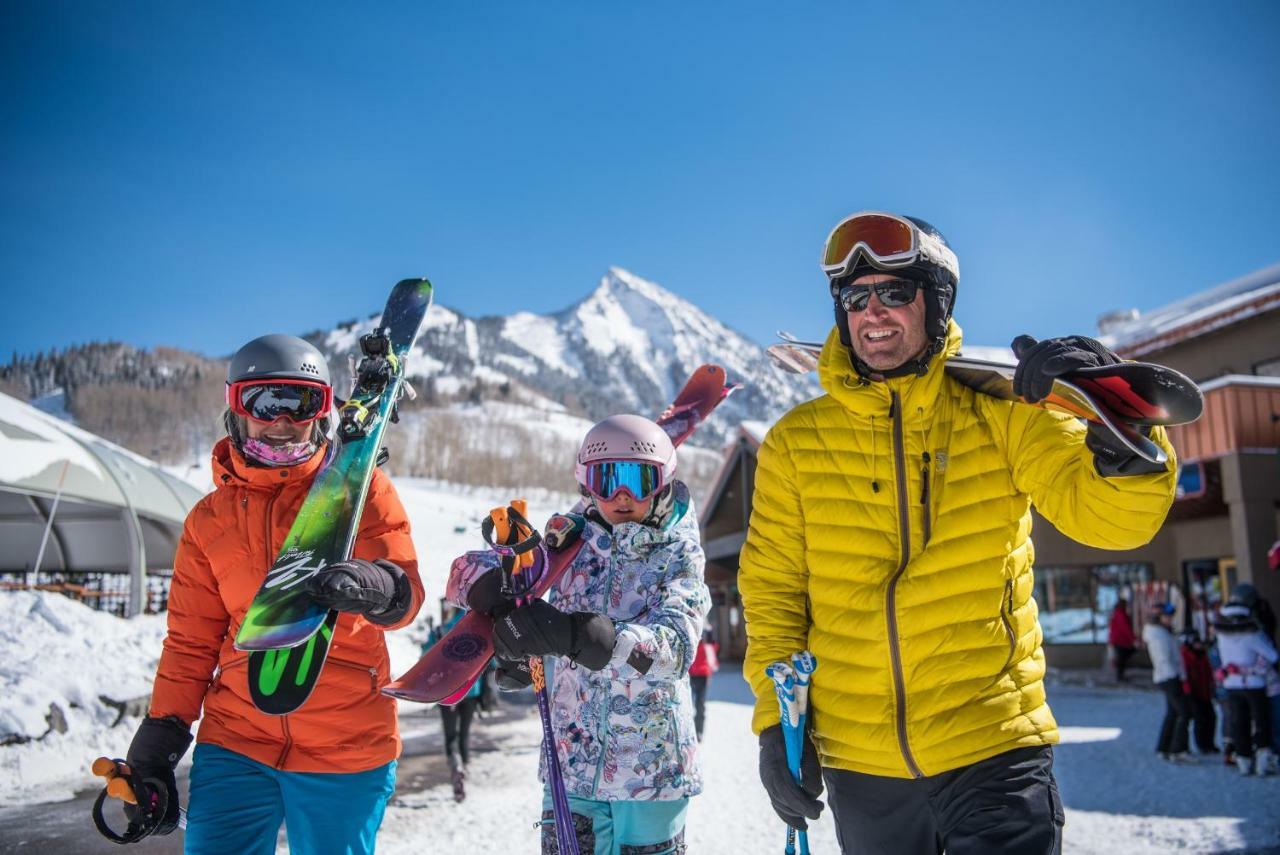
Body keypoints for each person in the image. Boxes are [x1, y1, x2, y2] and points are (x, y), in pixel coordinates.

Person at [738, 211, 1178, 855]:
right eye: (855, 297)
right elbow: (775, 593)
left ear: (936, 301)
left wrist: (1119, 425)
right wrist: (778, 725)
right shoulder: (794, 444)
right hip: (862, 759)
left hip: (994, 745)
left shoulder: (1005, 415)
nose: (873, 312)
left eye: (894, 291)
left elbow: (1114, 522)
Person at [118, 334, 422, 852]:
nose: (281, 419)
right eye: (264, 401)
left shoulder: (362, 489)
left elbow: (406, 597)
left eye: (300, 402)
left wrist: (379, 587)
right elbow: (191, 644)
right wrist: (159, 741)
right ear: (235, 407)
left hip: (346, 741)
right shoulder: (208, 521)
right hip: (236, 739)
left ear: (323, 410)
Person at [447, 414, 710, 854]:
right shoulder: (568, 541)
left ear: (663, 482)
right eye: (606, 480)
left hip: (652, 775)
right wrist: (491, 589)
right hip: (571, 766)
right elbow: (461, 574)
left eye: (638, 480)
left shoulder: (678, 551)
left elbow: (675, 649)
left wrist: (579, 636)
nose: (621, 496)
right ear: (585, 483)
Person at [423, 604, 486, 802]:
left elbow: (426, 654)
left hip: (447, 692)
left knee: (451, 737)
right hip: (471, 691)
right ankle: (464, 770)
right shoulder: (473, 626)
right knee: (464, 735)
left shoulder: (441, 629)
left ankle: (456, 768)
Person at [1213, 593, 1279, 775]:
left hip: (1232, 685)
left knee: (1239, 722)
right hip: (1254, 684)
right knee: (1260, 722)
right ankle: (1262, 761)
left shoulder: (1221, 636)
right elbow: (1272, 655)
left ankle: (1243, 759)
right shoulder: (1253, 635)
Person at [1142, 603, 1194, 762]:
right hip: (1169, 677)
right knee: (1184, 713)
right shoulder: (1158, 635)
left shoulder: (1163, 633)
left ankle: (1164, 747)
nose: (1170, 619)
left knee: (1173, 713)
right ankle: (1178, 750)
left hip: (1170, 676)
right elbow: (1164, 659)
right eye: (1167, 616)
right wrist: (1176, 677)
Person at [1178, 629, 1218, 755]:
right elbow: (1184, 675)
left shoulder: (1202, 655)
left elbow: (1208, 671)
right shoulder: (1185, 656)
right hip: (1194, 693)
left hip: (1205, 691)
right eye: (1196, 643)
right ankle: (1202, 744)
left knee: (1211, 717)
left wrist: (1212, 685)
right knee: (1200, 719)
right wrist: (1188, 691)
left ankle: (1209, 743)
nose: (1199, 645)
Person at [688, 622, 721, 741]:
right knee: (689, 705)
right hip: (691, 677)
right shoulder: (692, 646)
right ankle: (690, 732)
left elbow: (714, 664)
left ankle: (699, 732)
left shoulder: (708, 647)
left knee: (700, 705)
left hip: (703, 677)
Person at [1109, 598, 1137, 683]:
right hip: (1120, 640)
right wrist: (1133, 638)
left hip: (1118, 639)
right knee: (1123, 658)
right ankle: (1120, 676)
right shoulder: (1121, 614)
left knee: (1122, 658)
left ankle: (1120, 675)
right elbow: (1125, 628)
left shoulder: (1117, 613)